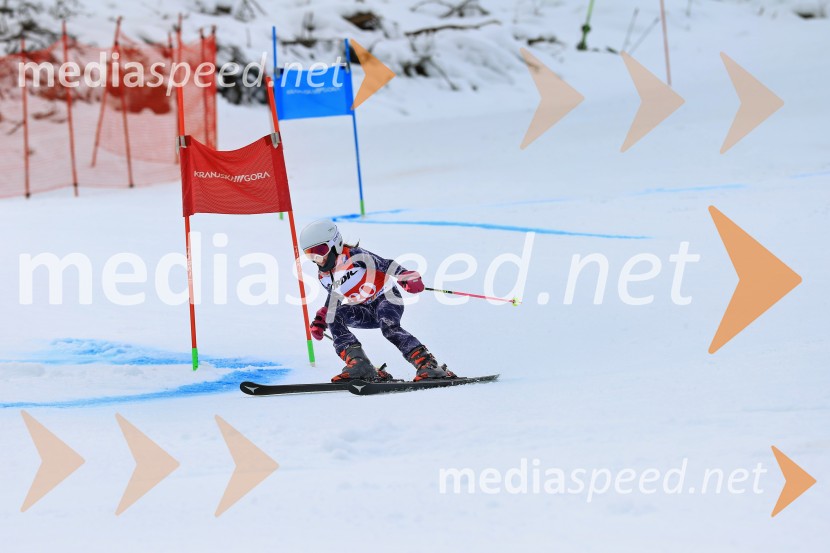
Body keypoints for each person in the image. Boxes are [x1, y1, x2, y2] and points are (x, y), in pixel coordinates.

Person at [299, 219, 457, 383]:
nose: (317, 258)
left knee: (388, 326)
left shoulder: (354, 255)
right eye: (310, 254)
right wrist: (322, 319)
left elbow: (385, 264)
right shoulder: (324, 277)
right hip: (364, 310)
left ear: (335, 243)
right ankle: (359, 365)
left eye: (320, 250)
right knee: (334, 316)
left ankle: (427, 364)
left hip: (387, 297)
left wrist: (405, 276)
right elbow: (335, 297)